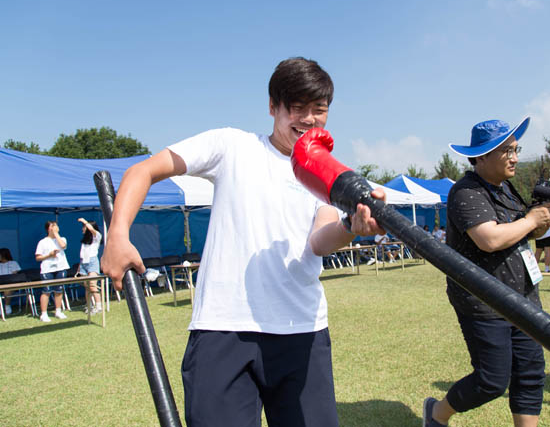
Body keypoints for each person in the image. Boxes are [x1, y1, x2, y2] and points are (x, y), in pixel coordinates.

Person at [100, 57, 385, 426]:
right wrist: (118, 235)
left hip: (302, 330)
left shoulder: (327, 170)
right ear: (272, 107)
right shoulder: (231, 145)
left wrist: (351, 225)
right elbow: (144, 170)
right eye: (296, 108)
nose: (309, 119)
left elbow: (319, 239)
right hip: (224, 328)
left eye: (319, 110)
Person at [423, 118, 550, 427]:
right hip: (484, 301)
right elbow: (490, 239)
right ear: (481, 156)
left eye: (515, 149)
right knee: (492, 381)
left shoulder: (507, 189)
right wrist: (532, 221)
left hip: (523, 297)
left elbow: (514, 233)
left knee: (530, 374)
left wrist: (537, 226)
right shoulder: (465, 191)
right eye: (507, 151)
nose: (515, 158)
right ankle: (437, 413)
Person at [35, 221, 69, 322]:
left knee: (59, 290)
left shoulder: (62, 238)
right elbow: (38, 257)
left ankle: (58, 311)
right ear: (48, 229)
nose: (55, 227)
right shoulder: (42, 242)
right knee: (46, 291)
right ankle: (44, 314)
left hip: (61, 267)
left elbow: (63, 246)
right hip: (47, 269)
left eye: (56, 225)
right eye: (52, 226)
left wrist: (56, 234)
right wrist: (49, 255)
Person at [78, 218, 103, 314]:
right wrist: (79, 267)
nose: (82, 229)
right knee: (87, 287)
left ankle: (98, 306)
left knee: (93, 285)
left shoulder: (97, 236)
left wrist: (84, 221)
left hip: (92, 263)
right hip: (83, 263)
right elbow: (82, 255)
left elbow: (92, 230)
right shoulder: (84, 241)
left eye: (84, 227)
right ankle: (89, 305)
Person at [0, 248, 21, 315]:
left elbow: (15, 275)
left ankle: (7, 306)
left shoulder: (13, 263)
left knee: (7, 289)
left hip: (11, 284)